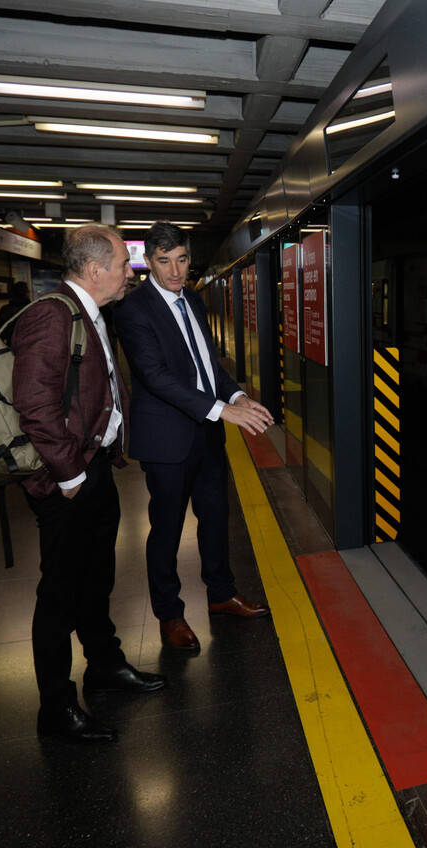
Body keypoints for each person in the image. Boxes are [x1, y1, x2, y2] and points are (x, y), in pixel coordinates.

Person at [10, 224, 164, 744]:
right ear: (95, 269)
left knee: (95, 578)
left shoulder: (89, 313)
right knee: (59, 593)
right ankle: (55, 708)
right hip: (65, 479)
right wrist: (70, 476)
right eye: (124, 264)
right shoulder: (51, 317)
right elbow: (34, 404)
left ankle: (104, 664)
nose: (129, 272)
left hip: (91, 468)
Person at [113, 221, 274, 652]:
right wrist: (225, 411)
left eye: (181, 259)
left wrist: (238, 395)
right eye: (163, 262)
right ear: (148, 262)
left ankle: (221, 595)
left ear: (189, 258)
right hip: (167, 441)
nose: (174, 271)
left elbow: (208, 366)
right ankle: (169, 615)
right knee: (166, 529)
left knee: (216, 518)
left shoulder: (194, 300)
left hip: (207, 435)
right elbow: (156, 377)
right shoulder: (134, 310)